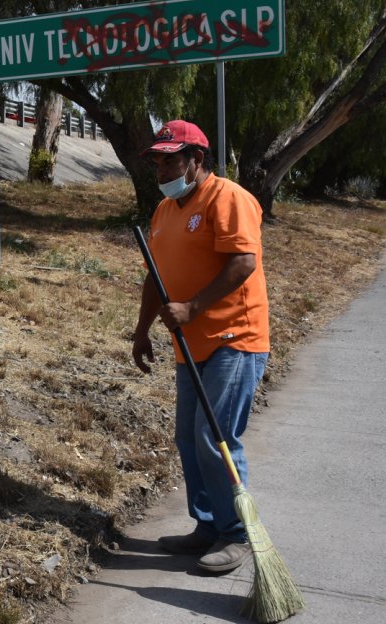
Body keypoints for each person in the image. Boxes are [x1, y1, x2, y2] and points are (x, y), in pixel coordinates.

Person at [131, 120, 270, 573]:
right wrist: (141, 329)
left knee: (215, 438)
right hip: (189, 343)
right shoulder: (165, 210)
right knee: (188, 439)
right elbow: (157, 276)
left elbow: (243, 262)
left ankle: (236, 534)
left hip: (235, 336)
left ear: (197, 161)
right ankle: (208, 525)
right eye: (158, 160)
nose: (162, 167)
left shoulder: (228, 198)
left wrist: (193, 307)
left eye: (172, 159)